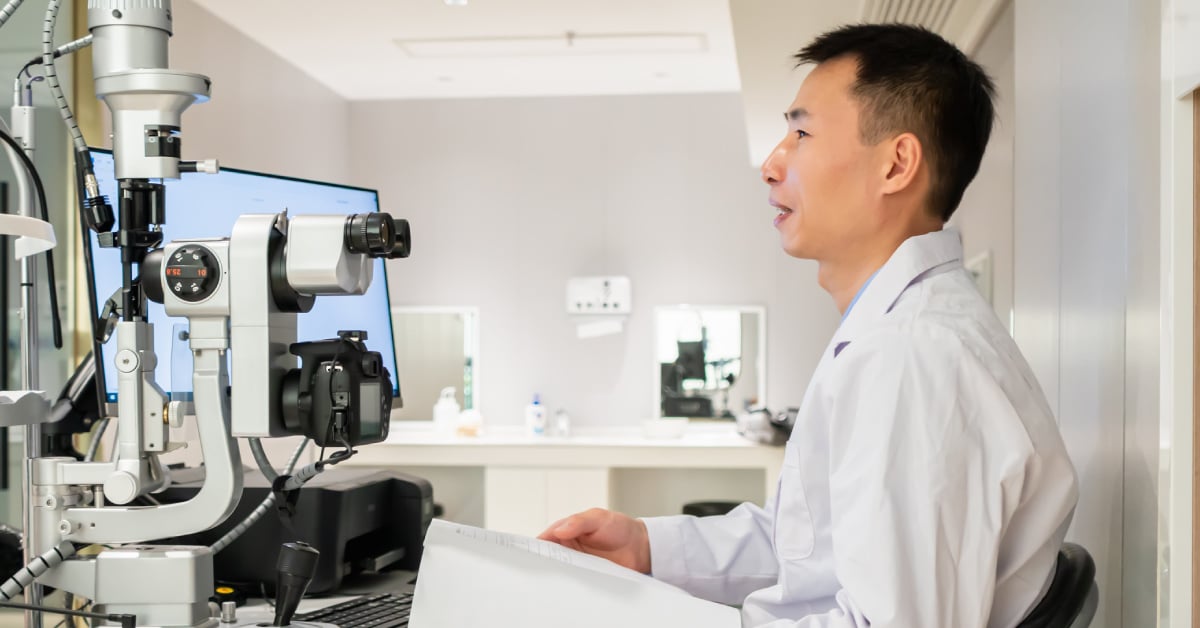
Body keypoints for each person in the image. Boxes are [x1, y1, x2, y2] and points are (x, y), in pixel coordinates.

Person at [539, 23, 1079, 628]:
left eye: (801, 132)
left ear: (896, 164)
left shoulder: (913, 355)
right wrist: (644, 545)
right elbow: (807, 549)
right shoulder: (899, 332)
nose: (771, 164)